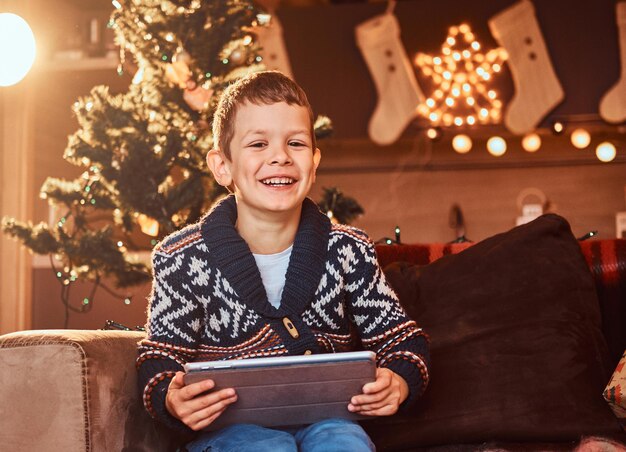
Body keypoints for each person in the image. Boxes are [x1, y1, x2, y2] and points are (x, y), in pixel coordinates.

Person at [137, 70, 430, 451]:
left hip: (329, 423)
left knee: (344, 444)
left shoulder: (348, 250)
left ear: (314, 160)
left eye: (296, 143)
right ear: (222, 165)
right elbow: (159, 355)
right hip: (229, 433)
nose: (280, 157)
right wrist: (170, 397)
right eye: (258, 144)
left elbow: (403, 339)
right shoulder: (181, 257)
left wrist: (399, 379)